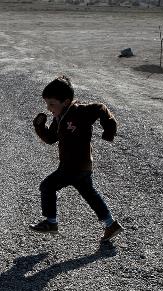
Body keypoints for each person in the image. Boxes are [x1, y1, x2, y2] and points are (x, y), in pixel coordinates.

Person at [29, 75, 123, 242]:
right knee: (90, 195)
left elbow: (101, 108)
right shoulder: (60, 117)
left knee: (47, 186)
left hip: (74, 166)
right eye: (47, 104)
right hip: (81, 167)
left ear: (65, 102)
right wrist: (39, 127)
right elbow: (51, 138)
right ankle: (111, 225)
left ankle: (51, 222)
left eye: (52, 104)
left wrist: (108, 130)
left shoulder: (79, 111)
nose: (49, 108)